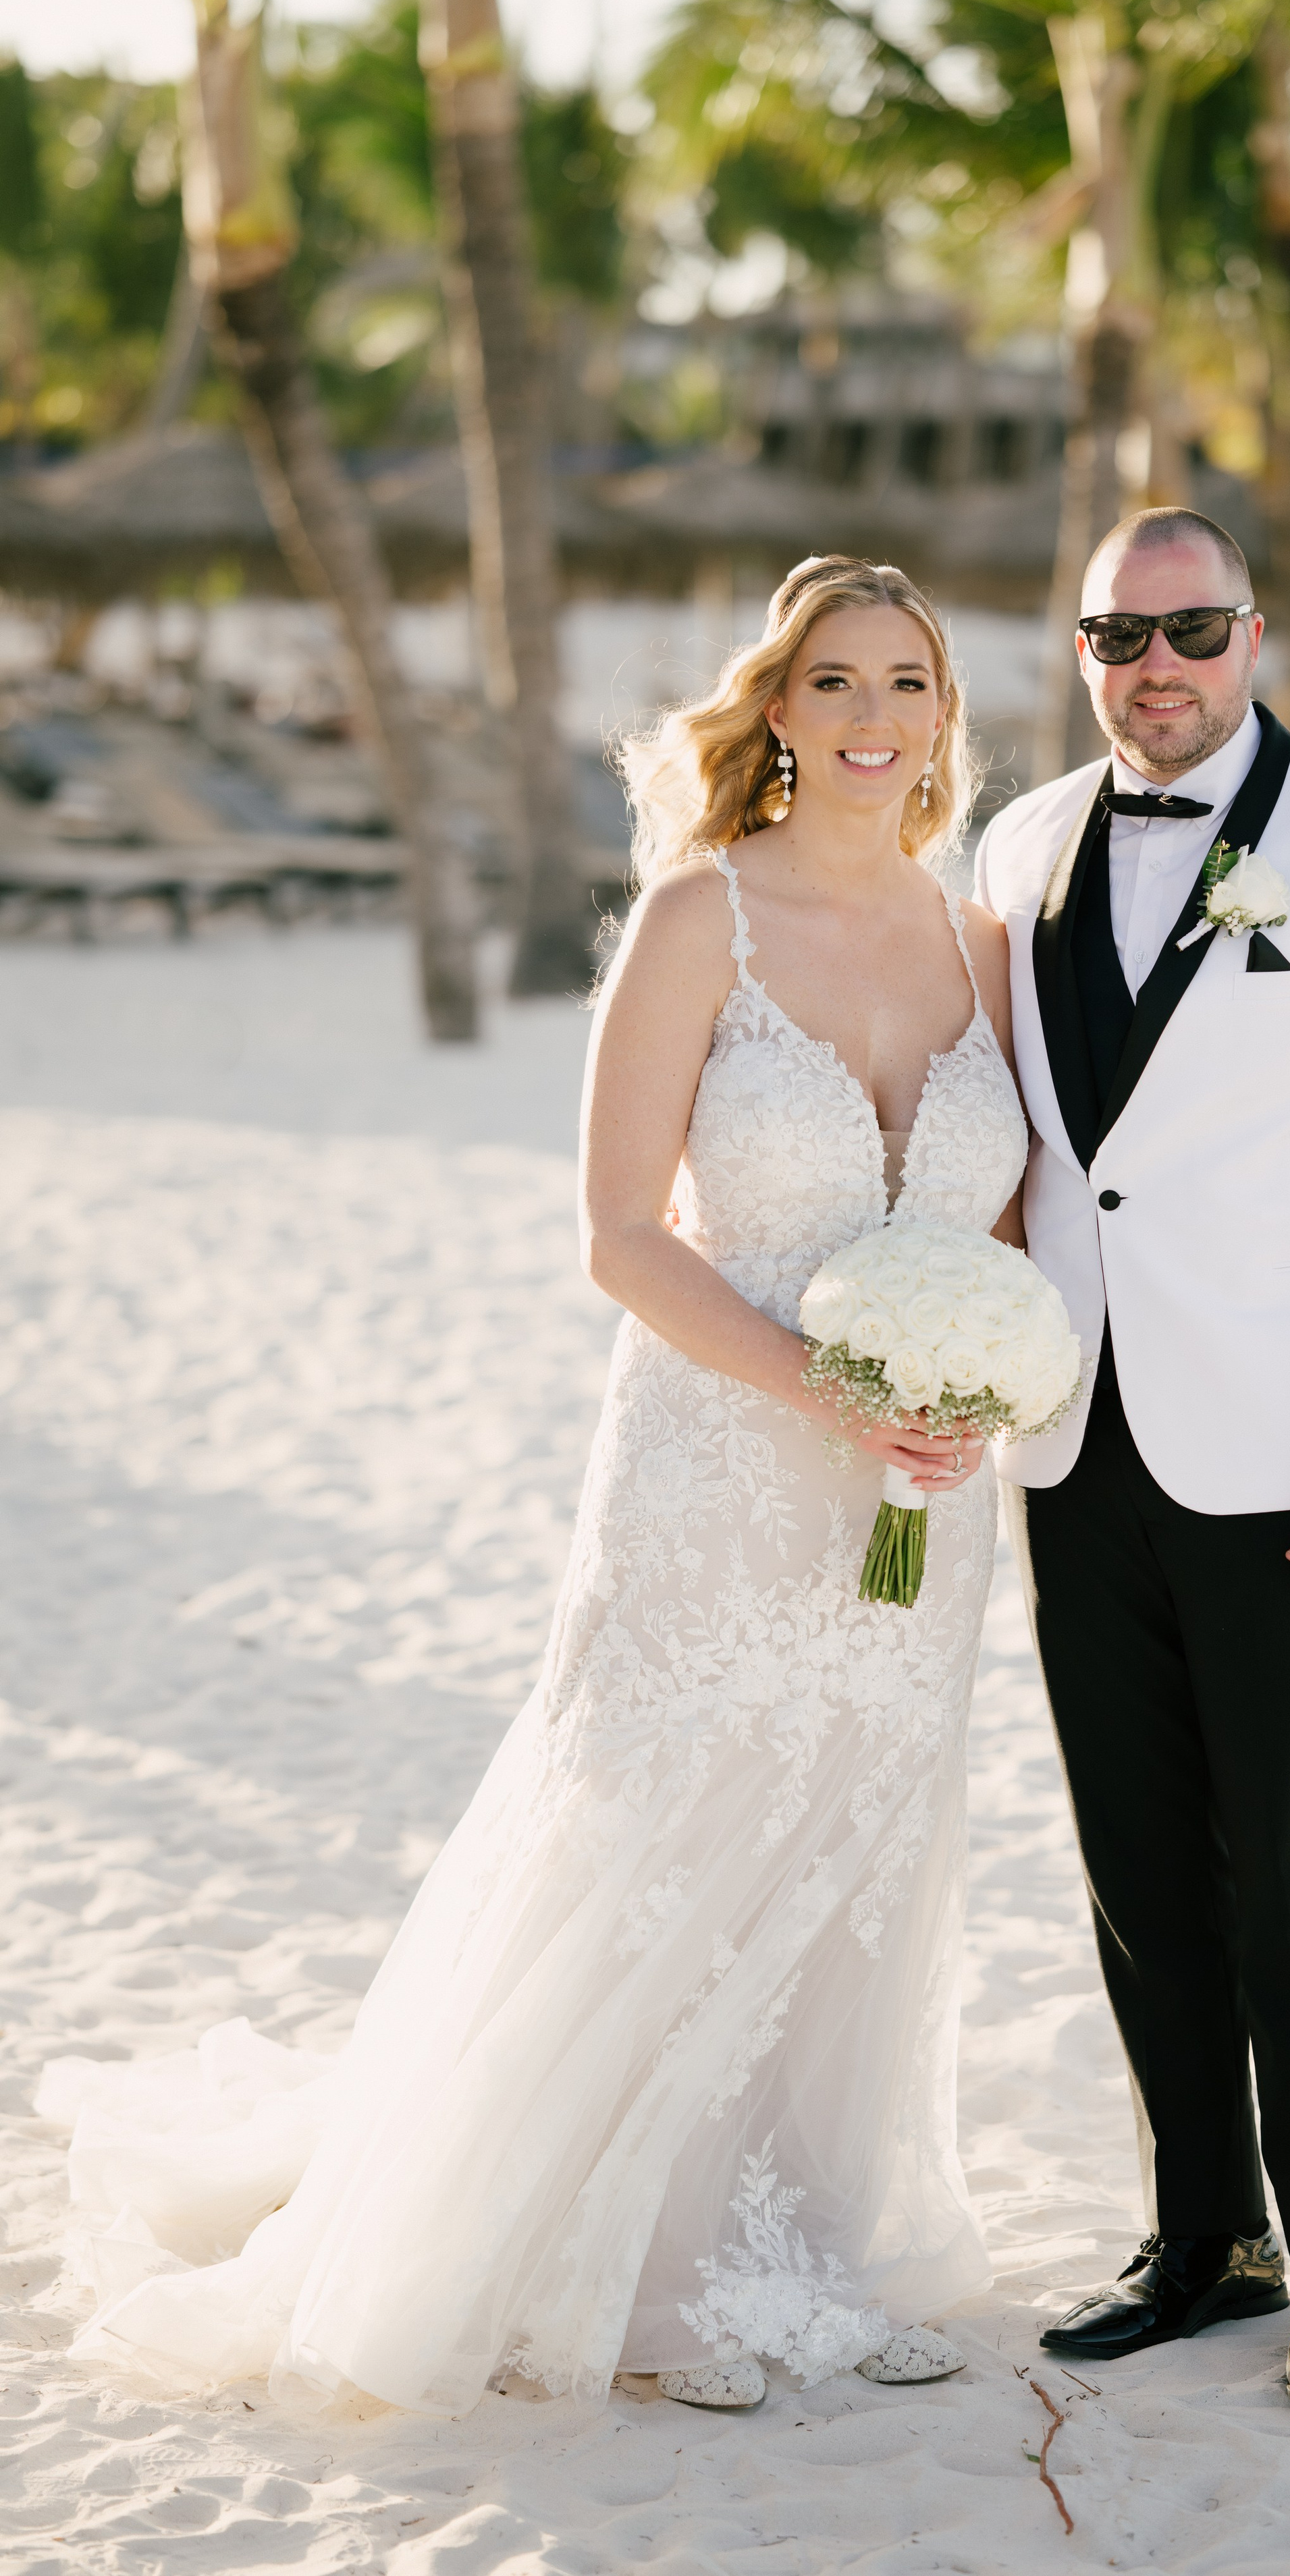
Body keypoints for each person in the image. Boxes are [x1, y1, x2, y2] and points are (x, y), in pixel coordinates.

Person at [38, 555, 1027, 2421]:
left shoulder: (982, 945)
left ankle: (808, 2250)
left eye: (909, 682)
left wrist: (974, 1392)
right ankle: (644, 2272)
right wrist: (827, 1384)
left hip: (920, 1494)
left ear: (943, 719)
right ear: (779, 709)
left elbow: (1012, 1226)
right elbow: (619, 1237)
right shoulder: (698, 919)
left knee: (859, 1845)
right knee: (662, 1828)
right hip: (721, 1463)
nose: (875, 717)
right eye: (835, 681)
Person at [974, 505, 1290, 2409]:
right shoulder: (1019, 846)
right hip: (1077, 1437)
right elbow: (1034, 1151)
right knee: (1138, 1865)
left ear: (1254, 635)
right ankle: (1203, 2233)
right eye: (1120, 635)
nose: (1157, 666)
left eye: (1191, 629)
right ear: (1084, 651)